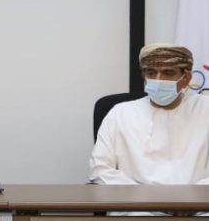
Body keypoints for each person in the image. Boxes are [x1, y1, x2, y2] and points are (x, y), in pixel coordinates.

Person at [89, 43, 209, 185]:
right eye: (151, 73)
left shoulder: (205, 109)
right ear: (144, 76)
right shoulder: (119, 114)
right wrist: (142, 196)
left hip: (197, 198)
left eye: (168, 73)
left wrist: (189, 196)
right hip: (132, 198)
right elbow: (100, 170)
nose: (158, 79)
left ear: (186, 79)